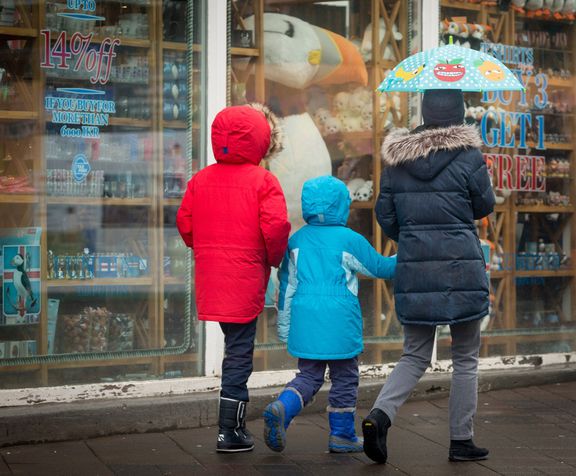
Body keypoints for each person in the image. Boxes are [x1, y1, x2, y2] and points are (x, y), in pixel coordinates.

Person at [362, 88, 495, 464]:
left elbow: (384, 214)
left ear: (424, 113)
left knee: (415, 354)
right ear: (459, 115)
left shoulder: (397, 158)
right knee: (466, 356)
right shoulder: (468, 155)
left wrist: (414, 239)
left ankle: (379, 415)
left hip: (415, 266)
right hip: (461, 267)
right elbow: (484, 205)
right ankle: (460, 440)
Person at [176, 105, 290, 453]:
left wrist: (206, 248)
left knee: (232, 345)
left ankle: (232, 425)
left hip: (213, 274)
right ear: (260, 140)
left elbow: (186, 222)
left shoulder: (201, 179)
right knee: (240, 350)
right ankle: (230, 429)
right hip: (245, 275)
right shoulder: (263, 181)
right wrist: (274, 260)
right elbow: (276, 228)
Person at [263, 175, 396, 454]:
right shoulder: (349, 239)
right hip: (339, 322)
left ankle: (283, 408)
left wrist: (285, 327)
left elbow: (286, 287)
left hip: (306, 319)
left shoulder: (296, 241)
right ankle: (342, 435)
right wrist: (407, 254)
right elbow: (380, 268)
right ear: (342, 205)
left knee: (308, 377)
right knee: (345, 377)